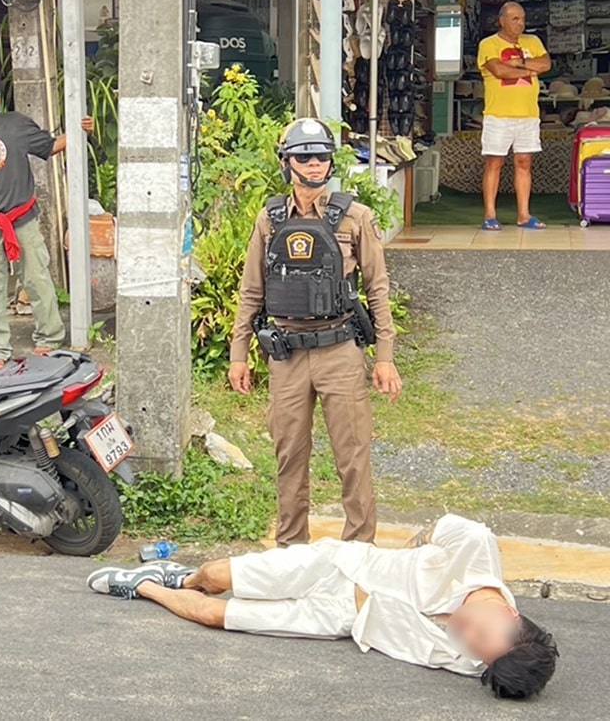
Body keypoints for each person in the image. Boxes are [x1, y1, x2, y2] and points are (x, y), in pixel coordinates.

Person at [86, 514, 559, 700]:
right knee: (215, 577)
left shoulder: (474, 661)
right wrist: (400, 561)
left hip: (337, 617)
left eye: (477, 649)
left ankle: (145, 586)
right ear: (510, 613)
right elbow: (438, 529)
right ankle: (184, 576)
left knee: (214, 615)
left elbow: (494, 664)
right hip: (335, 565)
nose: (468, 639)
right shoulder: (477, 548)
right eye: (481, 635)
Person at [228, 118, 401, 547]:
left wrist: (384, 357)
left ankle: (359, 550)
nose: (314, 164)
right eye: (304, 157)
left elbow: (377, 289)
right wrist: (238, 353)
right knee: (289, 456)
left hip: (339, 351)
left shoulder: (355, 217)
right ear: (287, 163)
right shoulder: (269, 220)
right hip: (286, 355)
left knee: (353, 456)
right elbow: (252, 291)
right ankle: (290, 549)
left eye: (321, 156)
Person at [0, 70, 93, 370]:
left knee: (37, 278)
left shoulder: (15, 124)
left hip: (22, 217)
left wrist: (80, 132)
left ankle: (50, 336)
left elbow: (49, 146)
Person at [477, 2, 551, 231]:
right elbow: (499, 71)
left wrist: (519, 63)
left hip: (528, 114)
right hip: (498, 114)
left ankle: (524, 215)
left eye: (523, 19)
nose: (521, 24)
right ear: (502, 21)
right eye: (515, 19)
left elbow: (546, 64)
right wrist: (530, 71)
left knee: (524, 162)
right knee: (494, 163)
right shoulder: (488, 44)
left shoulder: (533, 41)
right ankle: (490, 215)